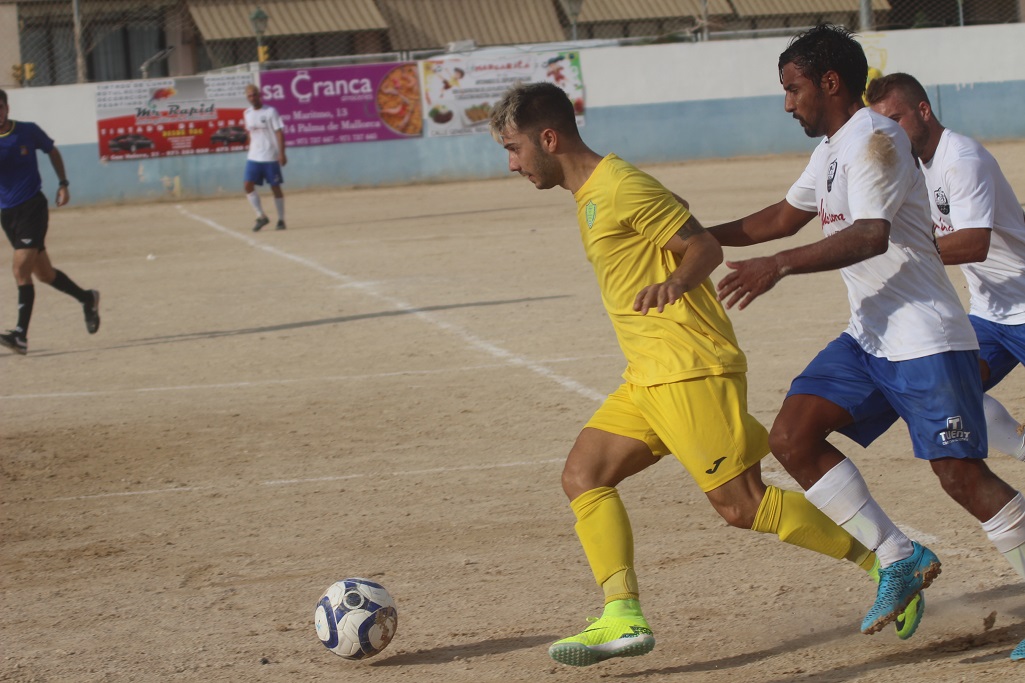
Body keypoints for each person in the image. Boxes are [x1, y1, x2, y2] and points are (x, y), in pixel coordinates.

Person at [488, 81, 921, 669]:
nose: (512, 164)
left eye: (513, 149)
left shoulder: (620, 185)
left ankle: (888, 561)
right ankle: (622, 614)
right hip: (649, 375)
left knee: (743, 507)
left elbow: (701, 247)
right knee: (583, 475)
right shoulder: (592, 193)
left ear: (547, 138)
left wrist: (676, 282)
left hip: (688, 369)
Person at [709, 25, 1025, 661]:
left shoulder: (877, 139)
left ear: (829, 82)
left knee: (962, 477)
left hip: (925, 339)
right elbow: (781, 217)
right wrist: (693, 236)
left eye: (793, 88)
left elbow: (870, 235)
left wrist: (779, 266)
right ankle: (897, 555)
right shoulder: (832, 148)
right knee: (792, 437)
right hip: (869, 336)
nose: (787, 103)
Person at [865, 72, 1025, 461]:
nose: (892, 133)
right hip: (989, 313)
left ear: (924, 110)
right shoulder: (913, 167)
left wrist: (903, 255)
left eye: (897, 120)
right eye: (884, 127)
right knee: (950, 386)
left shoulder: (962, 160)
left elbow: (973, 243)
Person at [0, 88, 99, 356]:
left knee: (20, 269)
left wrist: (63, 183)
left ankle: (20, 336)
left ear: (7, 108)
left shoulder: (27, 130)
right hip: (7, 214)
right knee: (44, 274)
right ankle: (87, 298)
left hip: (32, 207)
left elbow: (51, 151)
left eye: (0, 107)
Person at [242, 83, 287, 232]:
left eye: (254, 95)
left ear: (259, 95)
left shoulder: (270, 111)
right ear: (247, 98)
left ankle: (281, 220)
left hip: (270, 156)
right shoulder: (247, 113)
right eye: (249, 96)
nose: (252, 98)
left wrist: (282, 153)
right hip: (254, 156)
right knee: (247, 185)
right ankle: (261, 216)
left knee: (275, 187)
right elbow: (250, 133)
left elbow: (279, 132)